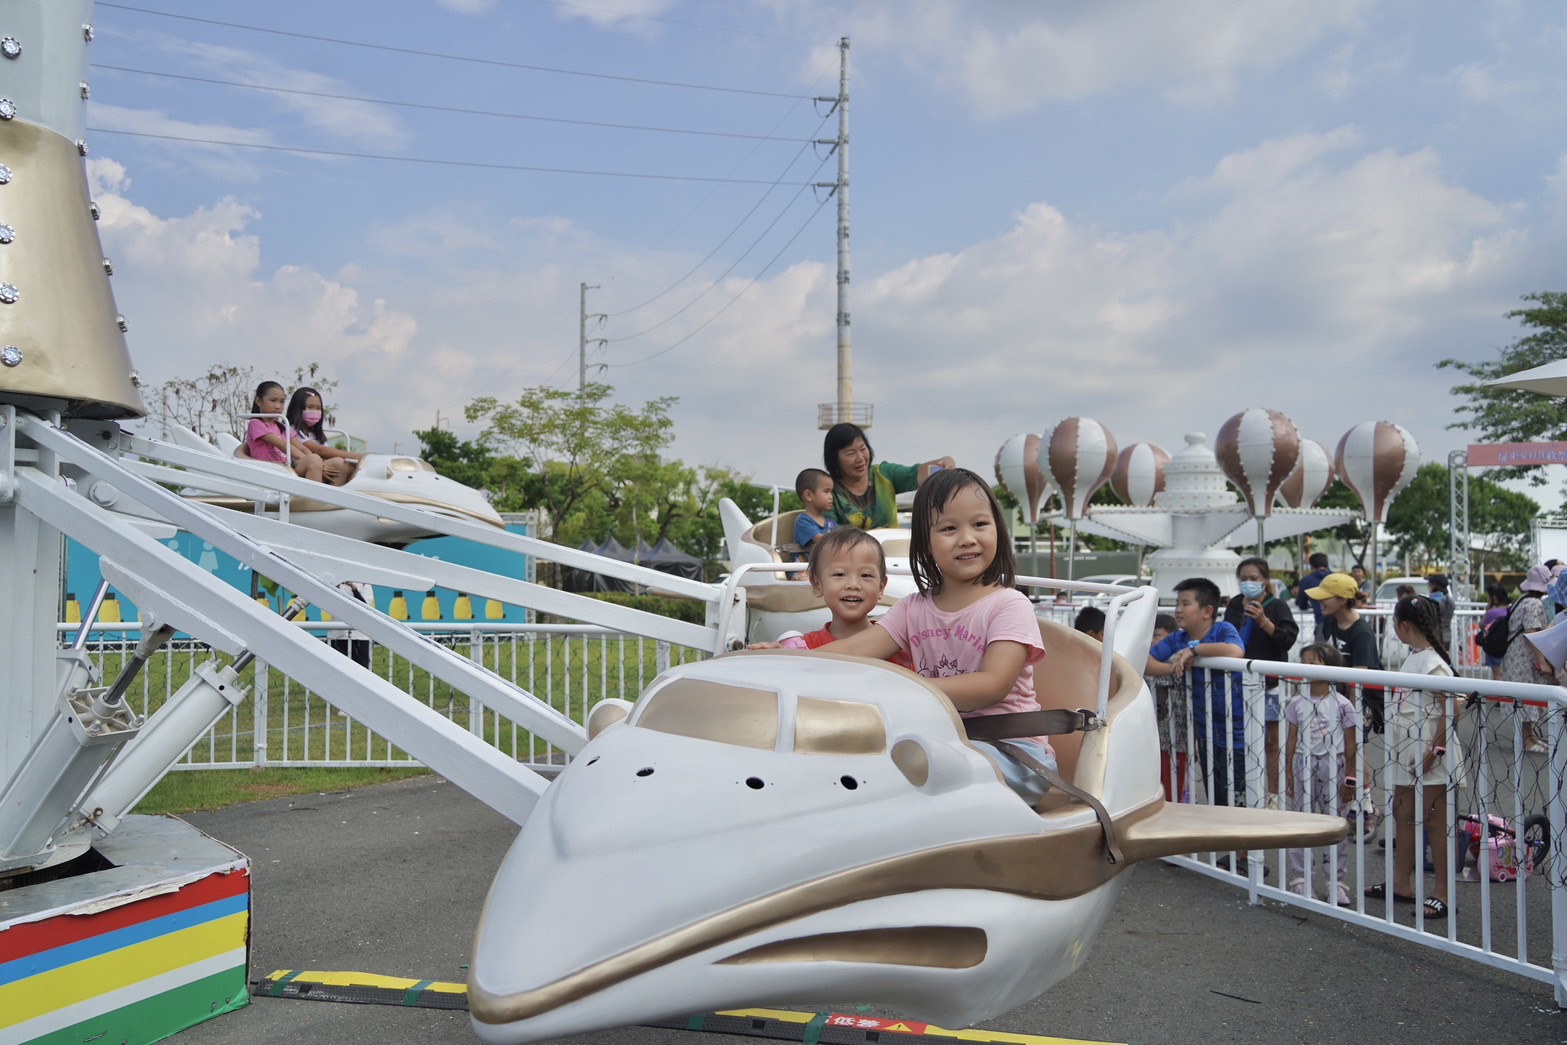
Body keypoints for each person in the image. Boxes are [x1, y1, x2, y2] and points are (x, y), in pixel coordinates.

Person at [817, 468, 1052, 804]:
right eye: (949, 528)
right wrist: (783, 658)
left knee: (906, 772)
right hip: (943, 744)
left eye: (979, 525)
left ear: (998, 530)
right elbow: (855, 648)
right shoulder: (913, 607)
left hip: (1013, 754)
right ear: (926, 541)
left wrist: (901, 690)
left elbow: (992, 685)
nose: (967, 538)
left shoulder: (1009, 605)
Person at [1364, 596, 1463, 920]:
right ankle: (1401, 883)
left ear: (1403, 625)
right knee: (1402, 813)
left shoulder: (1434, 663)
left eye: (1395, 623)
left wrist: (1434, 753)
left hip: (1429, 755)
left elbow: (1452, 709)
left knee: (1436, 821)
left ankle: (1443, 893)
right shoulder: (1417, 657)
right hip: (1409, 755)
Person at [1147, 579, 1248, 831]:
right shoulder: (1177, 638)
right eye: (1177, 604)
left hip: (1236, 733)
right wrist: (1173, 667)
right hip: (1205, 733)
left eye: (1185, 603)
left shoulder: (1222, 629)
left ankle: (1243, 854)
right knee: (1215, 794)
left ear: (1207, 611)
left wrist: (1196, 650)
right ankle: (1224, 846)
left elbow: (1236, 651)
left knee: (1238, 796)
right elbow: (1147, 661)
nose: (1178, 610)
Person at [769, 528, 912, 670]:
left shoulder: (898, 648)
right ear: (817, 584)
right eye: (839, 574)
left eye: (866, 575)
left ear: (881, 587)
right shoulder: (801, 648)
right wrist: (770, 657)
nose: (853, 585)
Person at [1223, 556, 1300, 809]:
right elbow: (1226, 635)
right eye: (1243, 579)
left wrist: (1263, 621)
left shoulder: (1277, 606)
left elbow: (1287, 640)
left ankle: (1272, 795)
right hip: (1237, 680)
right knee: (1239, 737)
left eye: (1254, 578)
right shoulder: (1235, 605)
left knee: (1270, 741)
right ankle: (1243, 792)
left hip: (1269, 683)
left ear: (1265, 580)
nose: (1248, 583)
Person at [1284, 643, 1357, 906]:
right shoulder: (1296, 703)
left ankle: (1335, 881)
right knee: (1301, 821)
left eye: (1314, 662)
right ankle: (1301, 879)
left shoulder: (1343, 704)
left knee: (1334, 823)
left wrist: (1350, 776)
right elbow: (1291, 740)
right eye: (1305, 662)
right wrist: (1288, 770)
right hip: (1303, 764)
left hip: (1333, 765)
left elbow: (1351, 744)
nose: (1308, 666)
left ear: (1331, 667)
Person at [822, 422, 953, 530]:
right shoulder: (827, 490)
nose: (860, 458)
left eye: (863, 449)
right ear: (834, 459)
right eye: (851, 453)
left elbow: (916, 473)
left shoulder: (883, 473)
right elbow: (828, 534)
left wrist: (943, 463)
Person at [1307, 572, 1383, 734]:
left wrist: (1351, 717)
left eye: (1325, 597)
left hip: (1355, 701)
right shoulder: (1328, 621)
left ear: (1342, 600)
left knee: (1354, 751)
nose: (1320, 601)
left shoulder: (1361, 633)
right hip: (1334, 698)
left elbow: (1358, 681)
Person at [1501, 564, 1553, 754]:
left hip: (1516, 655)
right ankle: (1527, 740)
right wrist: (1542, 660)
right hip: (1524, 656)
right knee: (1526, 696)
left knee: (1525, 696)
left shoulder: (1522, 600)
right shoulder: (1534, 603)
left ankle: (1530, 737)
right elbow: (1531, 631)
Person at [245, 381, 323, 481]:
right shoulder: (256, 424)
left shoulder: (282, 426)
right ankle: (314, 495)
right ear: (259, 401)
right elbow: (283, 446)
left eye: (282, 402)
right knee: (313, 461)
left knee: (337, 463)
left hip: (286, 468)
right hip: (271, 470)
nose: (278, 406)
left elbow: (303, 448)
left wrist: (317, 462)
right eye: (273, 400)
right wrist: (310, 460)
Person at [1148, 612, 1188, 802]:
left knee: (1174, 781)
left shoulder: (1178, 659)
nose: (1152, 641)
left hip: (1177, 738)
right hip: (1156, 738)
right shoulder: (1151, 662)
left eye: (1157, 635)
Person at [286, 387, 362, 485]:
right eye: (310, 407)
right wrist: (358, 456)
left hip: (320, 464)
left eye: (318, 408)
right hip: (302, 467)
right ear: (298, 408)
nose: (315, 411)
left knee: (349, 465)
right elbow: (320, 450)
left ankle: (335, 494)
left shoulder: (315, 434)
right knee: (338, 462)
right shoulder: (292, 430)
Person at [791, 468, 836, 563]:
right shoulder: (803, 521)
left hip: (822, 568)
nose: (831, 497)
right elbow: (820, 539)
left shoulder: (830, 523)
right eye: (826, 491)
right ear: (808, 495)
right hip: (803, 570)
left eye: (831, 492)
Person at [1478, 583, 1511, 680]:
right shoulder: (1510, 610)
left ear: (1494, 598)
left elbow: (1482, 625)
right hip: (1508, 646)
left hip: (1494, 647)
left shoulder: (1492, 613)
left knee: (1497, 675)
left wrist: (1488, 608)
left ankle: (1500, 694)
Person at [1296, 552, 1332, 639]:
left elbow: (1301, 604)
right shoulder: (1337, 578)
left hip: (1321, 622)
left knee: (1321, 651)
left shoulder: (1307, 580)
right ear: (1327, 564)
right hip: (1342, 622)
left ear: (1311, 566)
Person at [1425, 573, 1455, 641]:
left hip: (1435, 637)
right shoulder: (1449, 600)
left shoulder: (1433, 600)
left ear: (1434, 586)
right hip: (1447, 635)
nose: (1428, 586)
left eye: (1429, 584)